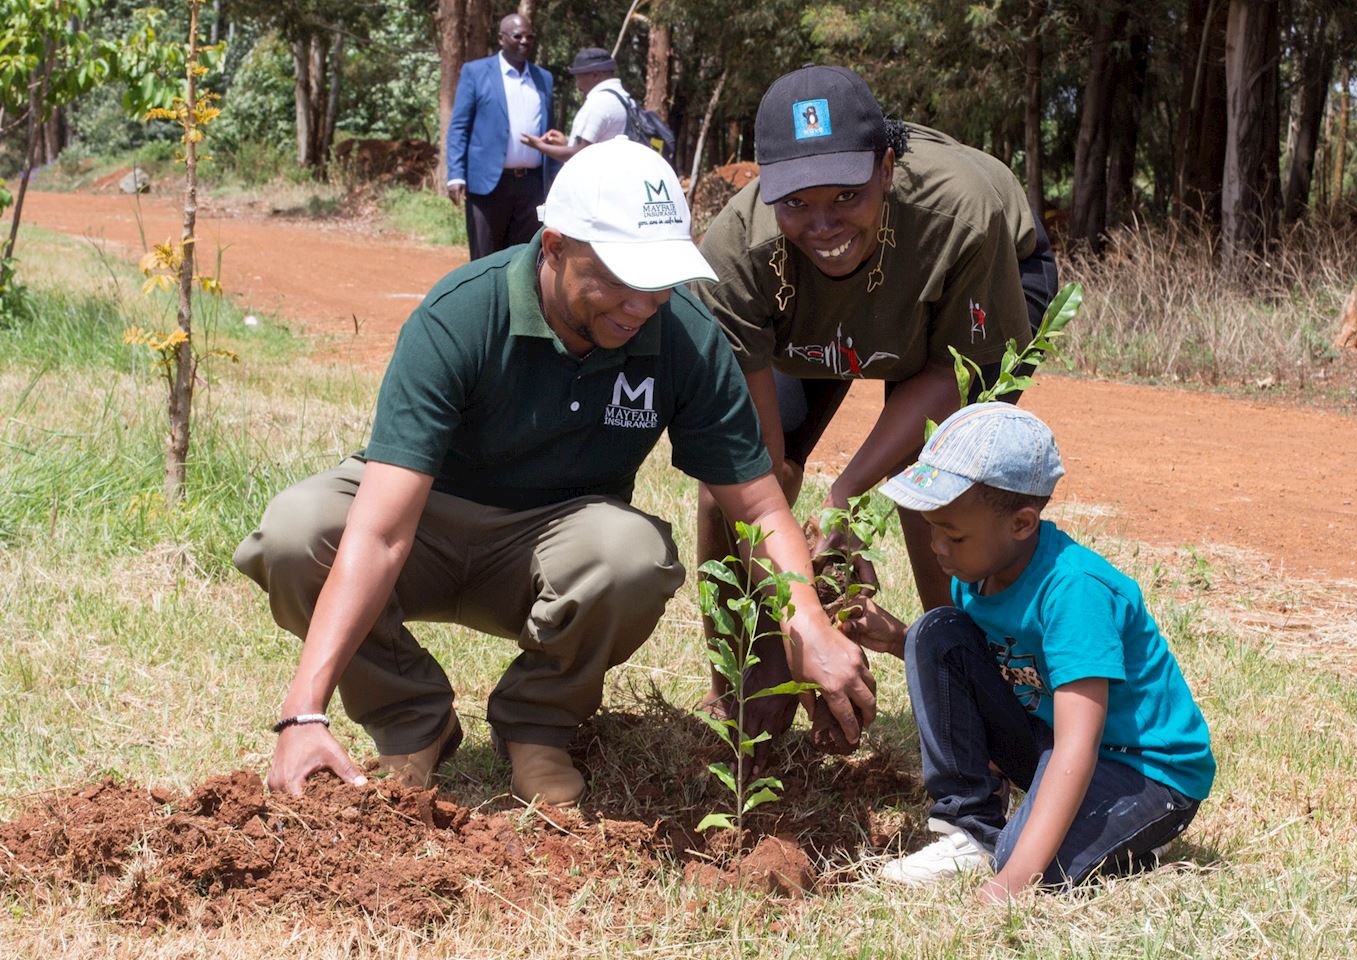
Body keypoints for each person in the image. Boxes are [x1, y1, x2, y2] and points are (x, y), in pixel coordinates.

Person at [235, 138, 876, 807]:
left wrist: (810, 626)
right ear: (554, 245)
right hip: (425, 524)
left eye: (657, 282)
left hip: (551, 549)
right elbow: (381, 533)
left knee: (630, 556)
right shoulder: (463, 315)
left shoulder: (683, 335)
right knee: (297, 530)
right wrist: (303, 710)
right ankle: (410, 723)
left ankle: (538, 726)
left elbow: (760, 508)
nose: (640, 304)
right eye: (619, 279)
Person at [695, 64, 1059, 751]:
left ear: (887, 169)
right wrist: (799, 616)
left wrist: (846, 496)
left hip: (968, 289)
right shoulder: (737, 255)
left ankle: (967, 695)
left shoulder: (963, 215)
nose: (824, 221)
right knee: (731, 489)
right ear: (763, 188)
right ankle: (740, 682)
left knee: (943, 481)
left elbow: (952, 374)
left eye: (847, 195)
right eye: (796, 201)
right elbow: (756, 469)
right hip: (812, 322)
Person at [845, 403, 1214, 899]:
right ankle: (969, 828)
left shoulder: (1073, 593)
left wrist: (1010, 883)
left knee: (1029, 864)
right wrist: (897, 639)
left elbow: (1078, 746)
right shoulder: (980, 575)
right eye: (931, 527)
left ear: (1022, 523)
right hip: (1055, 739)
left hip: (1143, 769)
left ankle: (1136, 840)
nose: (937, 547)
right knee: (937, 631)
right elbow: (995, 671)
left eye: (953, 534)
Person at [445, 12, 556, 261]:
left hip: (532, 186)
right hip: (487, 184)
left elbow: (551, 130)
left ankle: (514, 302)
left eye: (530, 36)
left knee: (524, 258)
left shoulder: (543, 78)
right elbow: (459, 127)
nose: (525, 41)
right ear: (501, 39)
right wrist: (455, 175)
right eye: (518, 36)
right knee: (485, 258)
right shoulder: (476, 72)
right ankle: (485, 301)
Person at [522, 47, 632, 164]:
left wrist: (539, 146)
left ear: (595, 75)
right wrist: (566, 144)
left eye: (578, 77)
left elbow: (578, 155)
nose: (577, 85)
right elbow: (597, 146)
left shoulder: (599, 103)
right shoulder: (626, 100)